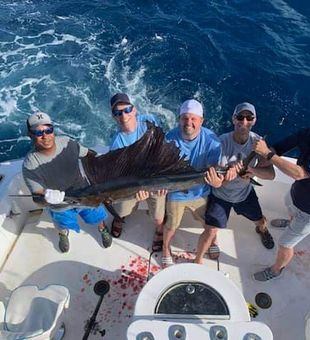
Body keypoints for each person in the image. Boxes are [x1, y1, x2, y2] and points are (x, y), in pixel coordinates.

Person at [195, 102, 275, 264]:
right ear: (233, 119)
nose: (244, 121)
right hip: (220, 195)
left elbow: (271, 174)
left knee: (259, 220)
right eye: (240, 117)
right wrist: (224, 178)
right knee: (210, 231)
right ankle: (198, 260)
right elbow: (215, 179)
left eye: (249, 118)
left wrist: (252, 171)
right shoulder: (221, 142)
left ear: (254, 120)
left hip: (244, 193)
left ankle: (262, 229)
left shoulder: (258, 143)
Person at [22, 112, 112, 253]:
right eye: (38, 132)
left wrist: (102, 161)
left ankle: (102, 228)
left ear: (53, 130)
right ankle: (63, 233)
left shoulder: (67, 143)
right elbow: (36, 197)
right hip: (59, 204)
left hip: (85, 194)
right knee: (62, 222)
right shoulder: (30, 164)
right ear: (30, 134)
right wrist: (46, 195)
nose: (45, 136)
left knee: (96, 216)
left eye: (48, 130)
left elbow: (87, 153)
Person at [162, 99, 228, 267]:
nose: (188, 123)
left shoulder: (212, 140)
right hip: (176, 192)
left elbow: (215, 170)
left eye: (193, 119)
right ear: (179, 119)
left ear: (201, 121)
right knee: (171, 225)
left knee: (209, 224)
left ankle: (212, 240)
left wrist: (217, 181)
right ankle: (165, 248)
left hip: (201, 192)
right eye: (185, 118)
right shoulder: (169, 138)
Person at [109, 93, 166, 251]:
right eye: (118, 113)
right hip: (134, 183)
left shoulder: (150, 121)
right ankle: (119, 219)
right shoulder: (117, 142)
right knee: (120, 210)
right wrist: (138, 189)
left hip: (155, 178)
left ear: (134, 110)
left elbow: (163, 146)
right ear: (114, 117)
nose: (123, 115)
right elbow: (120, 173)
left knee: (158, 217)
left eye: (126, 110)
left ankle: (160, 229)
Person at [253, 128, 310, 281]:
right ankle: (290, 223)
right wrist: (255, 164)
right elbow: (279, 147)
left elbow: (299, 174)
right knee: (289, 209)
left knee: (285, 244)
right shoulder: (306, 132)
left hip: (307, 213)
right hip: (295, 194)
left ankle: (276, 270)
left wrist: (268, 154)